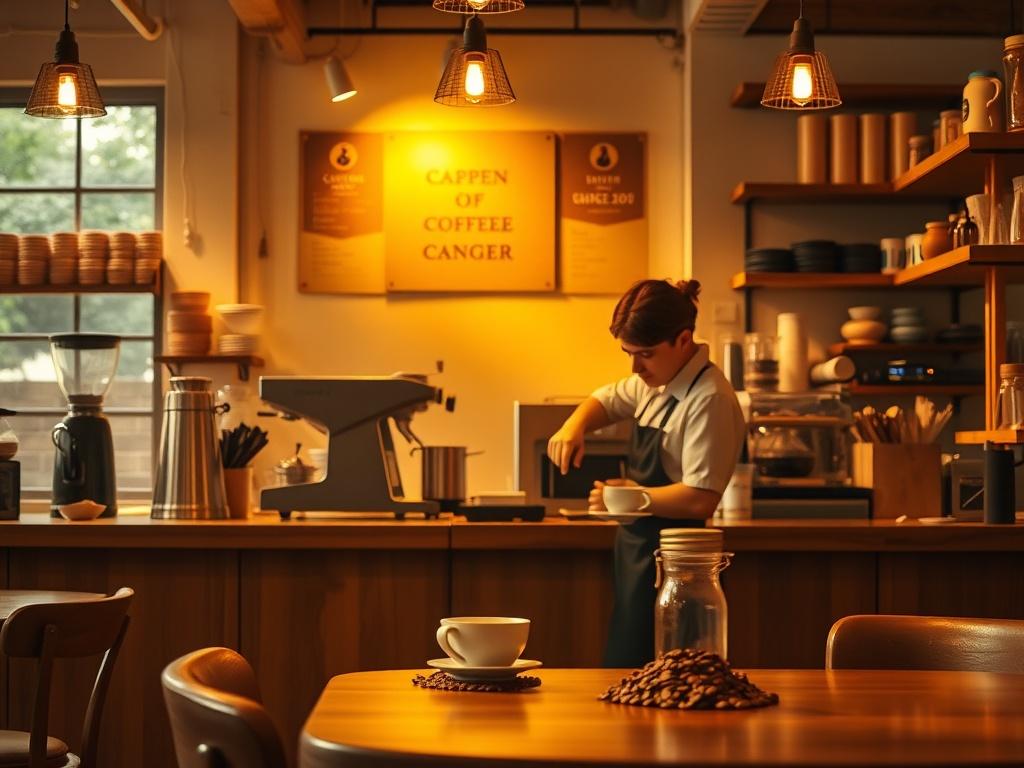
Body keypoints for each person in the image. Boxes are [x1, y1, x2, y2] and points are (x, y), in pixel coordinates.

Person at [547, 278, 745, 667]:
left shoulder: (710, 399)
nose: (636, 367)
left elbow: (701, 497)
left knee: (665, 670)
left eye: (645, 354)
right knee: (626, 662)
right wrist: (575, 424)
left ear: (684, 340)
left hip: (678, 561)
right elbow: (605, 399)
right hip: (637, 553)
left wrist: (628, 497)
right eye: (629, 353)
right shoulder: (656, 382)